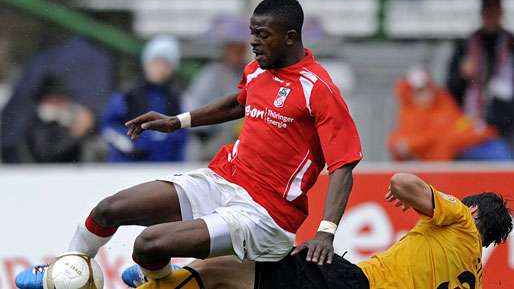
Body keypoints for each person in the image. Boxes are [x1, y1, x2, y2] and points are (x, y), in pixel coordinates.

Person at [15, 0, 362, 289]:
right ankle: (63, 272)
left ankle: (161, 278)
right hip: (223, 179)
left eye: (262, 35)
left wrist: (326, 232)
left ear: (290, 37)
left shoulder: (318, 89)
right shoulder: (258, 69)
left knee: (147, 245)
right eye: (252, 33)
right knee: (110, 208)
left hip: (264, 215)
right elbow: (239, 102)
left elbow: (344, 164)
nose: (254, 42)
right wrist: (177, 122)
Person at [120, 173, 512, 289]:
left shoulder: (460, 217)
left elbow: (405, 181)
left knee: (231, 262)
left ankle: (158, 283)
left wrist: (405, 192)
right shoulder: (474, 274)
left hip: (356, 285)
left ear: (473, 208)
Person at [389, 66, 512, 161]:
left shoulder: (443, 101)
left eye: (427, 88)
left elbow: (458, 127)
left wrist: (479, 131)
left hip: (463, 150)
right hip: (445, 162)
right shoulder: (409, 114)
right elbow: (399, 144)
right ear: (409, 93)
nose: (425, 94)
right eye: (418, 91)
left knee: (497, 149)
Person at [102, 36, 188, 162]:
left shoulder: (176, 98)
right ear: (146, 63)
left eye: (166, 63)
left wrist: (165, 142)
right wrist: (129, 146)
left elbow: (182, 135)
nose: (160, 68)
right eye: (156, 62)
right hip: (127, 165)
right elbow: (109, 128)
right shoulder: (127, 95)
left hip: (165, 168)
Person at [447, 0, 514, 150]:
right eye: (487, 11)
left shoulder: (511, 44)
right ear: (482, 14)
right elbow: (450, 89)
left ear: (501, 12)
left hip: (509, 122)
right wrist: (462, 74)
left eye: (494, 11)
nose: (491, 16)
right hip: (473, 122)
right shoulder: (466, 45)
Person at [184, 15, 249, 161]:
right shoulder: (211, 74)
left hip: (242, 146)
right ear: (226, 48)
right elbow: (194, 107)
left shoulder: (250, 72)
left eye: (241, 47)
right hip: (212, 145)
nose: (238, 52)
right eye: (234, 47)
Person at [26, 76, 95, 163]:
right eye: (56, 98)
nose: (61, 102)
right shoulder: (38, 124)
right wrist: (75, 134)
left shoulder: (68, 119)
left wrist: (89, 125)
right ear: (45, 99)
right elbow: (46, 155)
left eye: (62, 98)